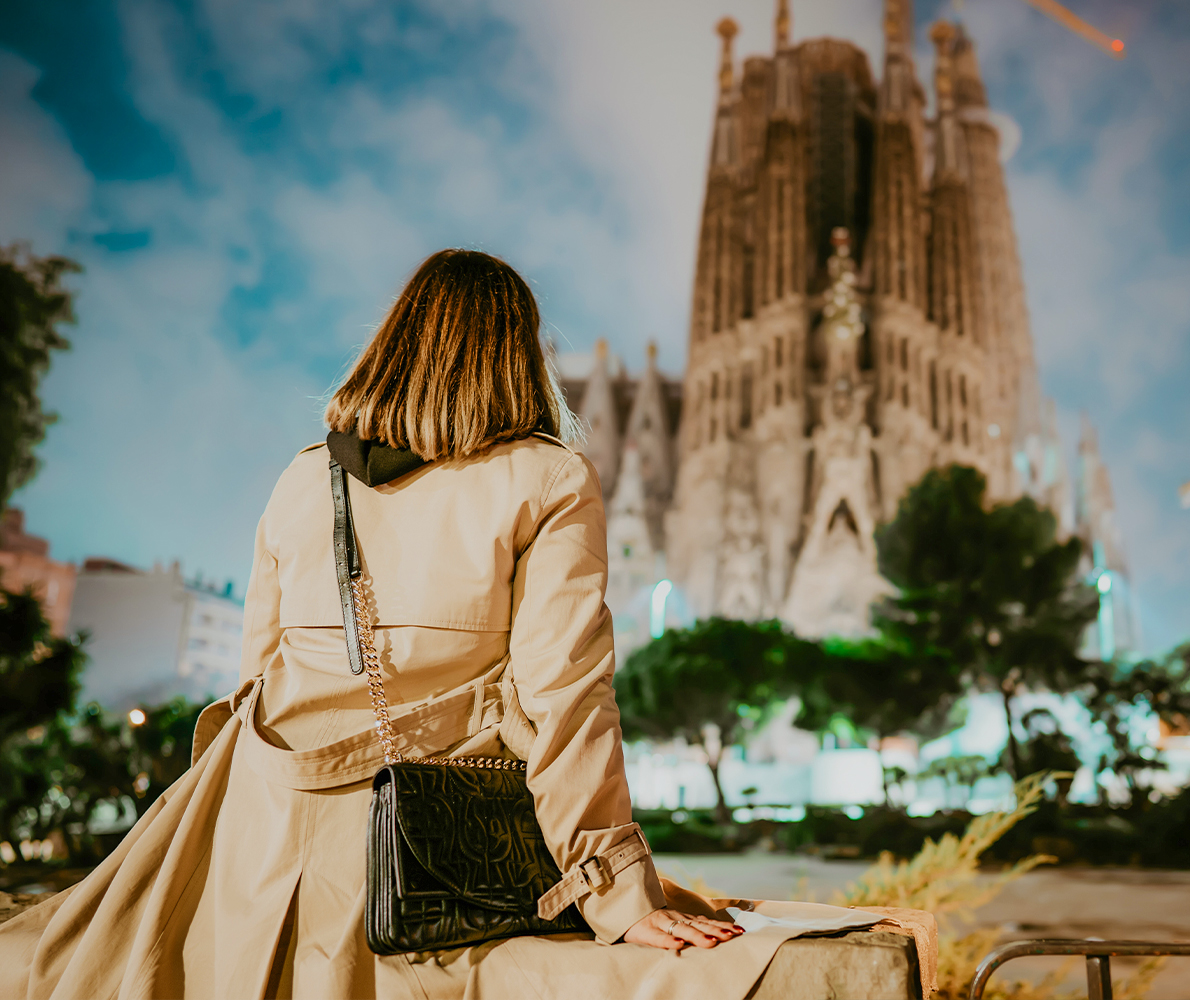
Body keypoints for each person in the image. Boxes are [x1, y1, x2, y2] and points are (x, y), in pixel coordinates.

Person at [0, 249, 880, 999]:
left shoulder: (305, 479)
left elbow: (255, 680)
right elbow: (565, 696)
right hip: (419, 864)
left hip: (249, 842)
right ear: (518, 357)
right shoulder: (548, 478)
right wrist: (619, 893)